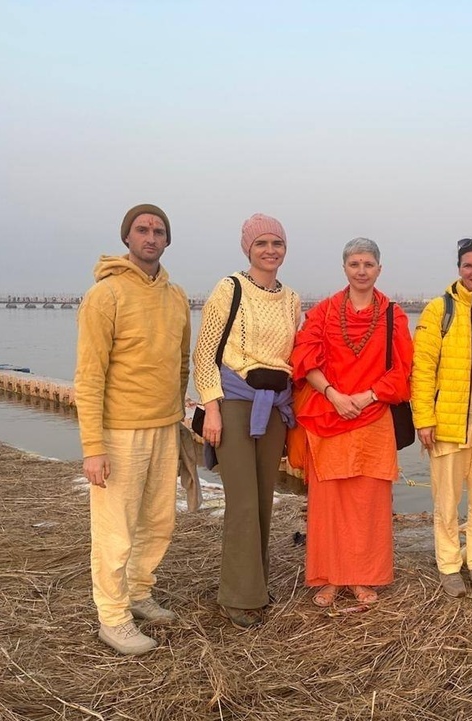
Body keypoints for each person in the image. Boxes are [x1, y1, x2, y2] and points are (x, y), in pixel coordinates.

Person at [75, 204, 191, 655]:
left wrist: (176, 414)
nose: (151, 236)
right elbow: (89, 376)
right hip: (120, 431)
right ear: (127, 238)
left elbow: (180, 363)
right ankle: (113, 616)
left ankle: (140, 591)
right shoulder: (105, 296)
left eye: (159, 230)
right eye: (142, 230)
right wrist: (93, 447)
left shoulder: (176, 295)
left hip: (165, 426)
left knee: (158, 521)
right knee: (114, 529)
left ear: (167, 240)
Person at [290, 238, 413, 607]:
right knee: (327, 503)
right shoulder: (324, 311)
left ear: (379, 268)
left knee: (368, 503)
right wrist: (333, 395)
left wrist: (366, 397)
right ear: (345, 268)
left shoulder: (394, 314)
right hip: (328, 413)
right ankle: (329, 577)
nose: (362, 270)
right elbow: (304, 358)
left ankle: (363, 578)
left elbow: (403, 370)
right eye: (355, 264)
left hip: (373, 415)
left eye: (368, 264)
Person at [193, 213, 301, 629]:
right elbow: (204, 353)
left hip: (274, 408)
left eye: (277, 243)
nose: (270, 250)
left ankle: (254, 584)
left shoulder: (290, 299)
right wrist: (212, 409)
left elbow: (293, 357)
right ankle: (237, 598)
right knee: (241, 501)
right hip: (235, 404)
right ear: (247, 249)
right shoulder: (230, 288)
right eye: (262, 244)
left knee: (263, 498)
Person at [411, 237, 472, 598]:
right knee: (447, 501)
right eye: (468, 266)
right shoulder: (439, 310)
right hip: (449, 422)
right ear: (459, 270)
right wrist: (423, 418)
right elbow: (422, 369)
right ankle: (450, 564)